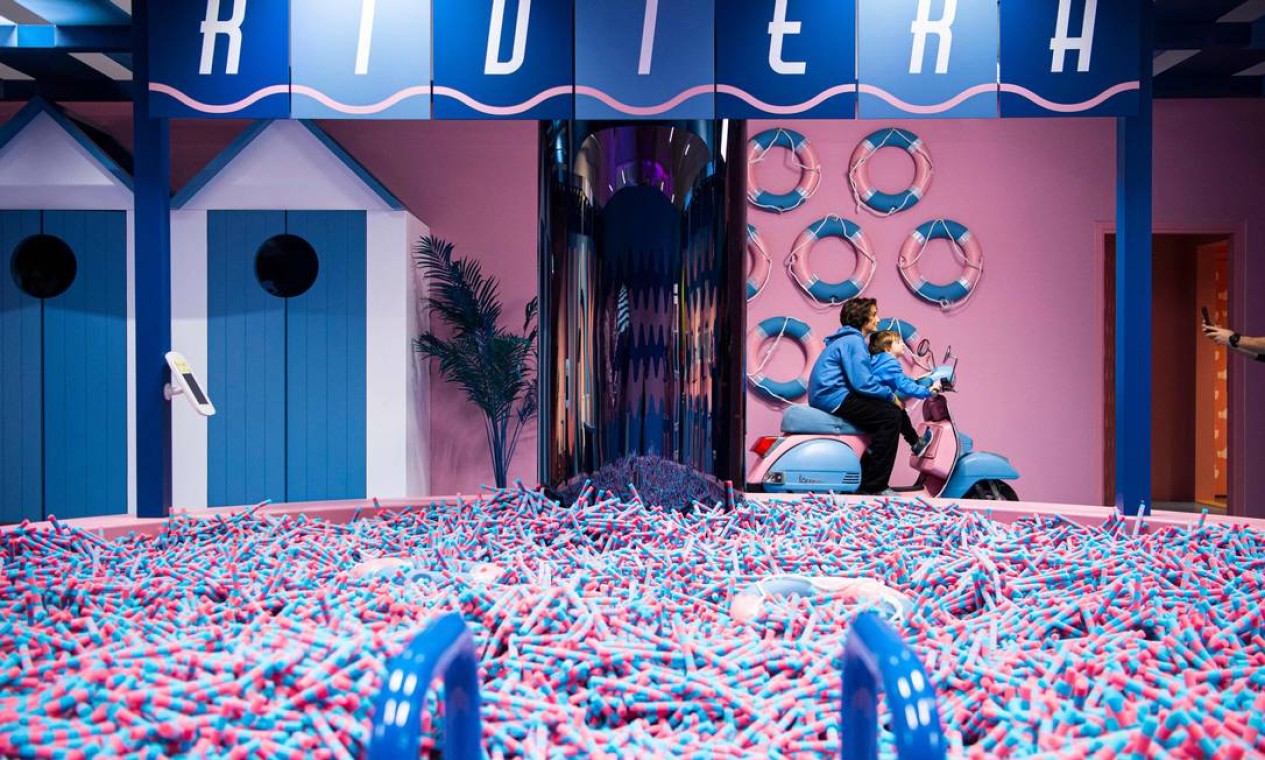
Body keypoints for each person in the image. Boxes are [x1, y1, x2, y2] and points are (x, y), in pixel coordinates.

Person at [808, 298, 903, 495]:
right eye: (874, 314)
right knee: (892, 416)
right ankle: (875, 486)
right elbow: (863, 383)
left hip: (829, 395)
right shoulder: (854, 341)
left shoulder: (847, 340)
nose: (878, 319)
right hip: (833, 396)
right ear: (862, 317)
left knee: (883, 415)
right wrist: (891, 396)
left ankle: (866, 480)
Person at [868, 330, 940, 457]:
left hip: (872, 402)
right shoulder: (890, 363)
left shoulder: (878, 362)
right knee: (899, 411)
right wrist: (928, 391)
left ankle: (915, 442)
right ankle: (915, 443)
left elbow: (903, 380)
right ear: (887, 348)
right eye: (898, 342)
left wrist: (917, 381)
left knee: (899, 409)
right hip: (879, 404)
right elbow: (904, 385)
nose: (902, 344)